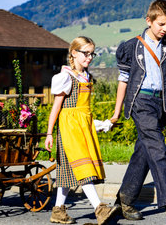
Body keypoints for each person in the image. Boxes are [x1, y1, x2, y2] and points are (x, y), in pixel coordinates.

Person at [110, 0, 166, 224]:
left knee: (144, 151)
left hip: (162, 103)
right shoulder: (131, 46)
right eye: (161, 24)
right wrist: (117, 111)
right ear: (148, 21)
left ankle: (125, 200)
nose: (165, 29)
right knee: (158, 150)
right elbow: (123, 80)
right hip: (141, 102)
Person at [45, 36, 120, 225]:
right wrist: (49, 133)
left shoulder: (85, 77)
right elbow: (57, 107)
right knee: (84, 168)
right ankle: (99, 209)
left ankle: (58, 211)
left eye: (92, 53)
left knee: (67, 172)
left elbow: (83, 112)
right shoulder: (66, 77)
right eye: (86, 53)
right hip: (69, 128)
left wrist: (101, 124)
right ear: (74, 53)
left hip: (82, 126)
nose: (89, 57)